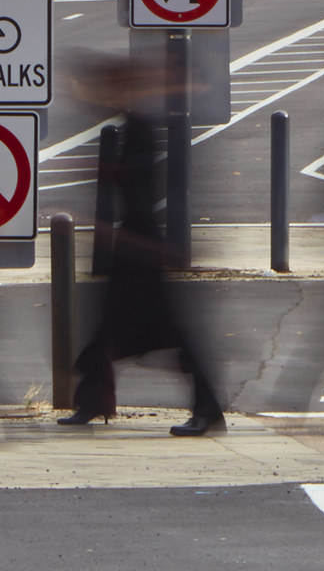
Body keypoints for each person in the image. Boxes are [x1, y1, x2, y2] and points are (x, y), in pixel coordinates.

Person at [61, 57, 227, 435]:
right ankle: (93, 400)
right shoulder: (131, 126)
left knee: (171, 330)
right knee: (108, 325)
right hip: (135, 245)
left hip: (141, 246)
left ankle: (207, 408)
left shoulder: (139, 128)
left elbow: (140, 193)